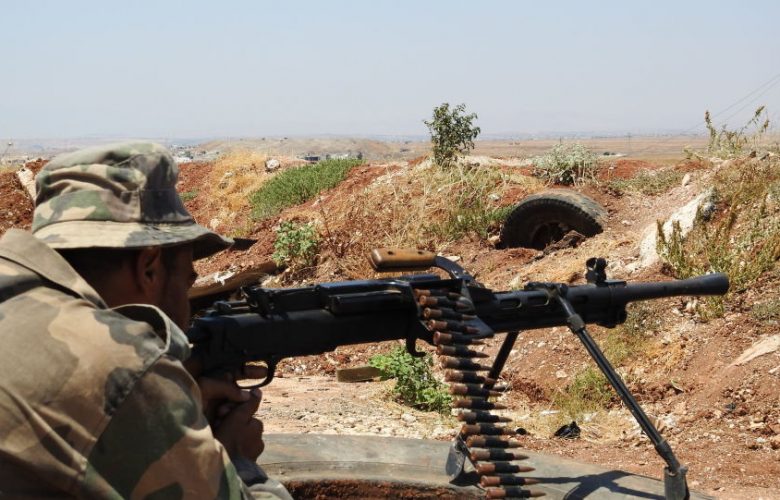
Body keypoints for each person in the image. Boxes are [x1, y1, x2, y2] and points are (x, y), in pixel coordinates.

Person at [0, 143, 287, 498]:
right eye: (187, 281)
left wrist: (162, 416)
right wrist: (238, 458)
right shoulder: (119, 361)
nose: (186, 303)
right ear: (149, 268)